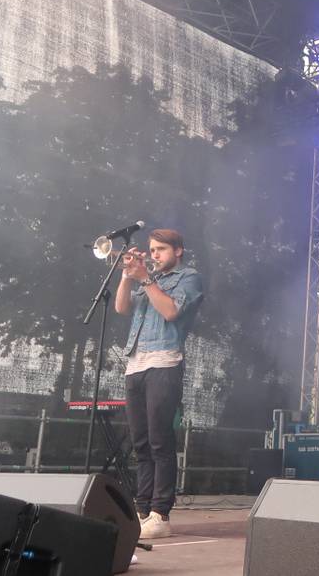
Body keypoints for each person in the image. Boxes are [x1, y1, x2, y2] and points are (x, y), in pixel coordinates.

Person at [115, 228, 204, 538]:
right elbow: (121, 308)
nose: (154, 255)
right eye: (152, 250)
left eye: (161, 249)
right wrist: (127, 275)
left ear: (178, 251)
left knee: (159, 441)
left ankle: (160, 514)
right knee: (140, 443)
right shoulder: (148, 278)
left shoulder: (189, 278)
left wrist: (144, 279)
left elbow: (170, 311)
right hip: (135, 363)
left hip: (165, 362)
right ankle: (142, 511)